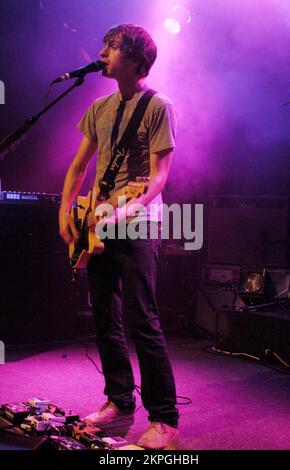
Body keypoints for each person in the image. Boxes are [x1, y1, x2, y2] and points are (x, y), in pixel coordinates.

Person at [59, 23, 179, 449]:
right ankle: (119, 401)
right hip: (97, 224)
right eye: (105, 44)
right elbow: (78, 168)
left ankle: (164, 418)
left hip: (138, 224)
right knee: (106, 318)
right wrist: (65, 210)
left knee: (141, 319)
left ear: (135, 59)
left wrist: (127, 210)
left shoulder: (158, 106)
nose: (103, 51)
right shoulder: (100, 107)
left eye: (112, 46)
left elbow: (160, 178)